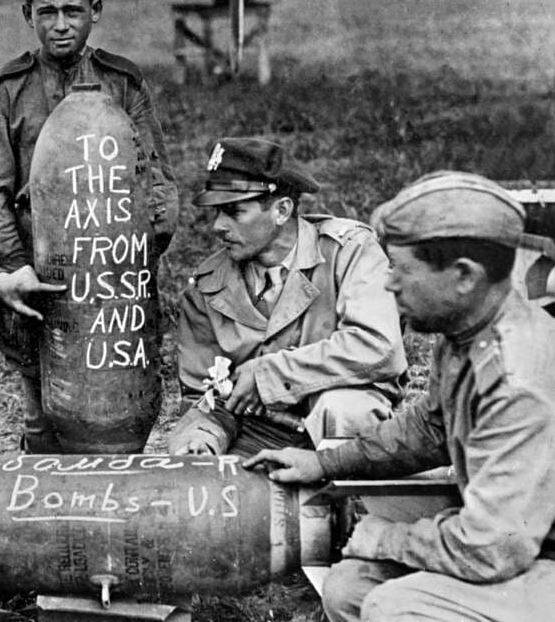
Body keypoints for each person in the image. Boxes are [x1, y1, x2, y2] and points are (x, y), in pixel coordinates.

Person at [246, 172, 555, 622]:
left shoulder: (519, 380)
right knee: (348, 590)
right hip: (520, 544)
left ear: (463, 277)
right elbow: (429, 428)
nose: (389, 284)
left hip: (544, 561)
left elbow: (494, 550)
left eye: (402, 269)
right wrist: (324, 464)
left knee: (393, 607)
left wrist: (385, 538)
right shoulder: (466, 330)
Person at [0, 0, 180, 452]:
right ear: (28, 15)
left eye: (72, 11)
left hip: (113, 282)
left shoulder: (123, 84)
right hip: (40, 284)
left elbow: (159, 182)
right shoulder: (6, 93)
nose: (60, 24)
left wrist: (133, 255)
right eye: (47, 12)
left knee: (119, 406)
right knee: (43, 409)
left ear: (95, 13)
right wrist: (20, 270)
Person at [167, 137, 407, 457]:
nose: (218, 226)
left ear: (282, 210)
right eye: (216, 213)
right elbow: (203, 397)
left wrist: (270, 374)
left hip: (336, 426)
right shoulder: (207, 286)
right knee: (188, 453)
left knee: (344, 409)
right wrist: (201, 438)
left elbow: (379, 348)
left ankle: (350, 505)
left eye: (234, 212)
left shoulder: (348, 252)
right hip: (254, 434)